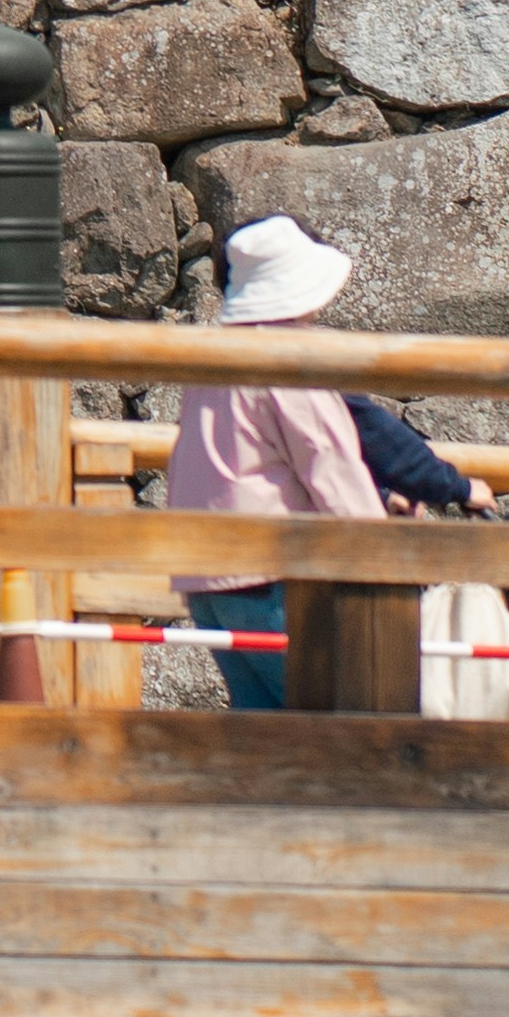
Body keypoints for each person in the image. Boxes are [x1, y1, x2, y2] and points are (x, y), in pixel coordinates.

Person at [163, 211, 378, 711]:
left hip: (204, 572)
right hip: (269, 570)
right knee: (328, 713)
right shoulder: (288, 361)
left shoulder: (214, 360)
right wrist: (380, 548)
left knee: (258, 722)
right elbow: (330, 465)